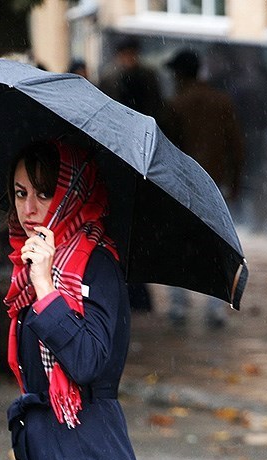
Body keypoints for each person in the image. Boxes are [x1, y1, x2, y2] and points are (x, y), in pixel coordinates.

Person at [0, 139, 152, 460]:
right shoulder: (30, 268)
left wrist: (46, 288)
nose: (28, 210)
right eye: (20, 193)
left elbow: (86, 361)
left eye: (44, 194)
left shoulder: (96, 266)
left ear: (69, 194)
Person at [164, 48, 246, 329]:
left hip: (182, 188)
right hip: (216, 187)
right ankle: (217, 308)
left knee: (178, 247)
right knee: (217, 248)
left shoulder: (175, 104)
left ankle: (178, 305)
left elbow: (167, 151)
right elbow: (237, 147)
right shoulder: (221, 102)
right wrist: (234, 183)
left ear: (179, 74)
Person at [98, 37, 173, 312]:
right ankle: (126, 287)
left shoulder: (148, 78)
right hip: (118, 160)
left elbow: (158, 114)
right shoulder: (109, 79)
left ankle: (137, 289)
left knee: (136, 228)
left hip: (141, 161)